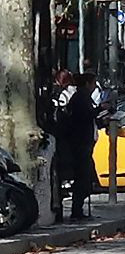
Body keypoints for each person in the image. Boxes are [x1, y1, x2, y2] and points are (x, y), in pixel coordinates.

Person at [40, 70, 98, 223]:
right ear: (87, 83)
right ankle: (76, 210)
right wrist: (98, 110)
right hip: (80, 143)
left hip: (81, 142)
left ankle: (77, 209)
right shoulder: (81, 98)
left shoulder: (80, 97)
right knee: (83, 177)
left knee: (84, 176)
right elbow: (84, 117)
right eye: (93, 83)